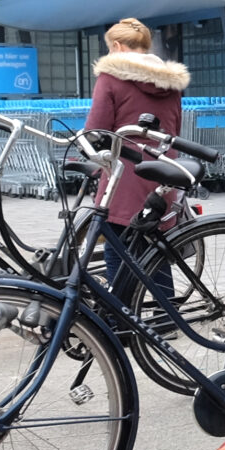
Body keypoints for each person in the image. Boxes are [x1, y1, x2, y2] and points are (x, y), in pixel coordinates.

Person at [84, 17, 190, 297]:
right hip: (163, 168)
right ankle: (163, 317)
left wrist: (91, 161)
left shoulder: (110, 77)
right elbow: (174, 128)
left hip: (126, 174)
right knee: (152, 246)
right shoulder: (171, 82)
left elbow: (95, 130)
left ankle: (118, 316)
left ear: (117, 47)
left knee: (115, 247)